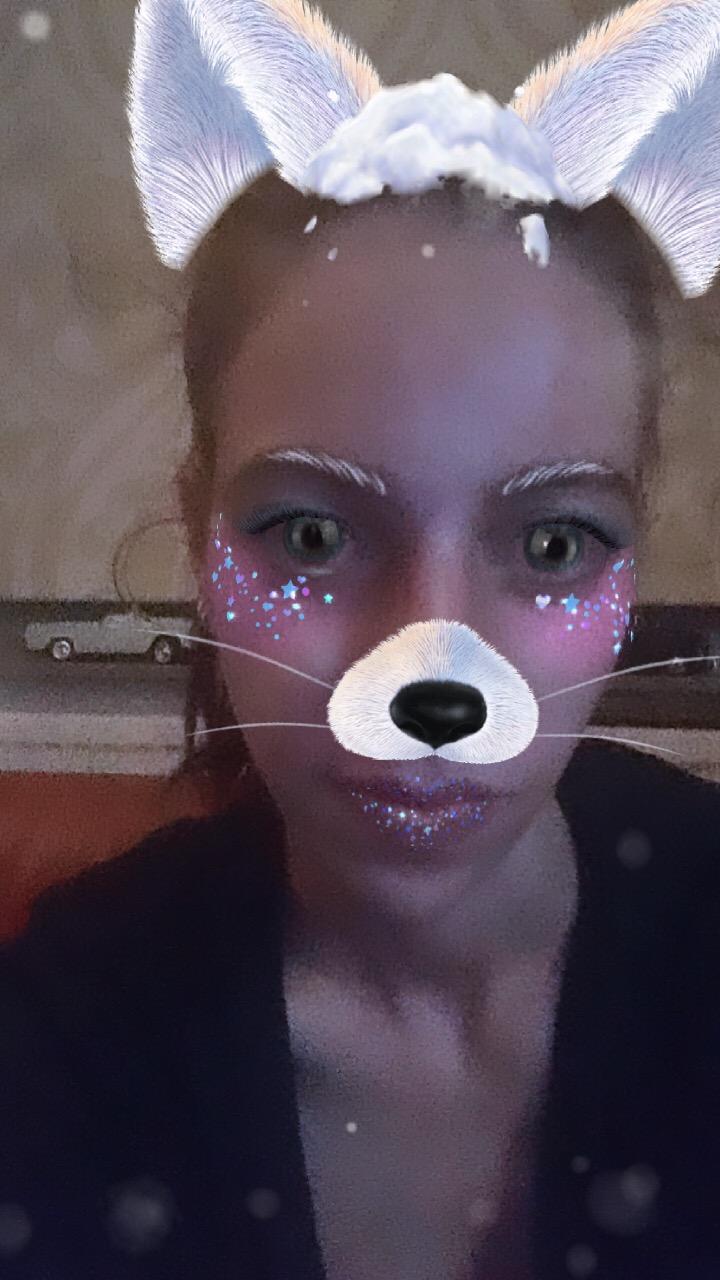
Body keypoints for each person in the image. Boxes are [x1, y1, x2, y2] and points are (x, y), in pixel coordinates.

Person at [2, 0, 720, 1276]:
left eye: (554, 544)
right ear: (200, 540)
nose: (434, 671)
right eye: (314, 534)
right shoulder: (71, 1022)